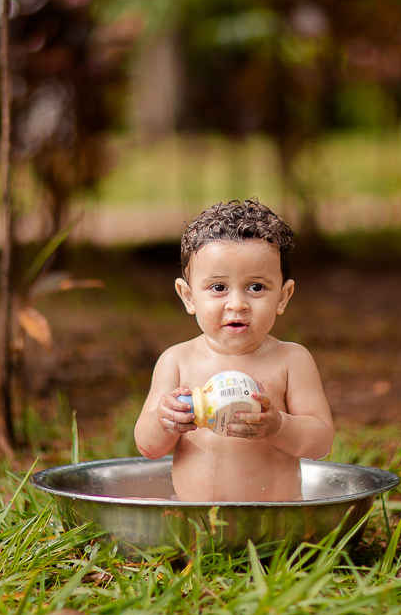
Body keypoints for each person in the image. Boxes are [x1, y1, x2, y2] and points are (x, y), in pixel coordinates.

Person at [133, 199, 334, 501]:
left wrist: (278, 426)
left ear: (283, 296)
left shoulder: (291, 361)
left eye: (256, 287)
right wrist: (165, 422)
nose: (237, 303)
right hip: (196, 524)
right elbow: (148, 448)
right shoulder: (176, 362)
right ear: (188, 297)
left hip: (275, 523)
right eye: (218, 288)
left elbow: (321, 442)